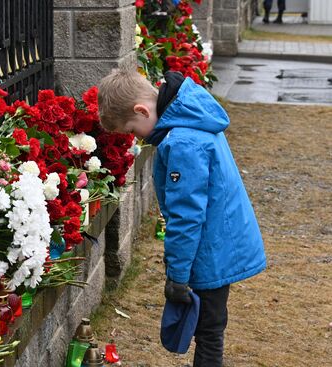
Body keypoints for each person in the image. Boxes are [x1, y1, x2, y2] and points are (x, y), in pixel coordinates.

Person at [97, 68, 266, 367]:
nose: (137, 138)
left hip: (210, 247)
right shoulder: (191, 114)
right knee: (211, 326)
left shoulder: (182, 143)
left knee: (209, 331)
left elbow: (186, 218)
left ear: (142, 110)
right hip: (220, 238)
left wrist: (177, 276)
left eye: (133, 130)